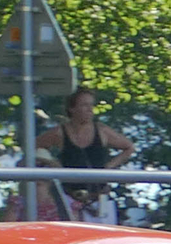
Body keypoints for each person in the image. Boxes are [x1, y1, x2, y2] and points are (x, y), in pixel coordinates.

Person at [35, 87, 135, 221]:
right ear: (72, 108)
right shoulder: (59, 133)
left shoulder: (102, 131)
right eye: (84, 105)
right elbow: (33, 146)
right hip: (69, 198)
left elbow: (128, 148)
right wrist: (51, 163)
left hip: (99, 200)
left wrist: (108, 169)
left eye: (91, 105)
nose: (89, 109)